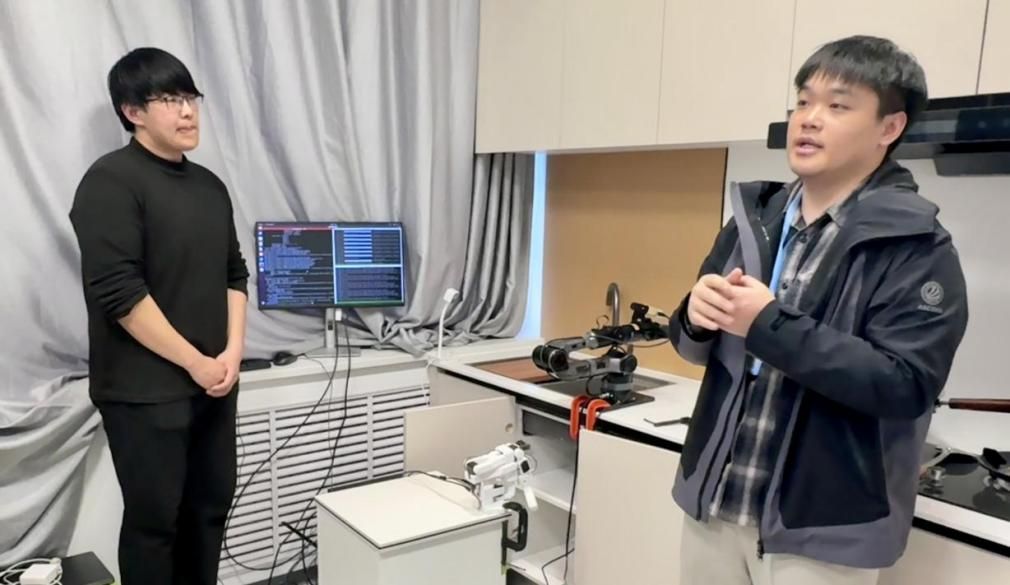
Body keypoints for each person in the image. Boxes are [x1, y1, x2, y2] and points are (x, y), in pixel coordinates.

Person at [668, 35, 969, 585]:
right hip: (716, 502)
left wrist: (767, 324)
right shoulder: (754, 219)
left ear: (889, 128)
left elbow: (904, 385)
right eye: (803, 101)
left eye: (837, 105)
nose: (808, 118)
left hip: (825, 535)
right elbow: (692, 347)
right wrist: (694, 315)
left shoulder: (917, 246)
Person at [69, 47, 249, 585]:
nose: (188, 111)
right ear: (133, 112)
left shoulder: (210, 186)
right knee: (155, 526)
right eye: (170, 99)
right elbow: (121, 295)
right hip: (143, 393)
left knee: (209, 513)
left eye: (191, 97)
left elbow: (234, 274)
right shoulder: (109, 182)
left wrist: (232, 354)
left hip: (215, 384)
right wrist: (196, 362)